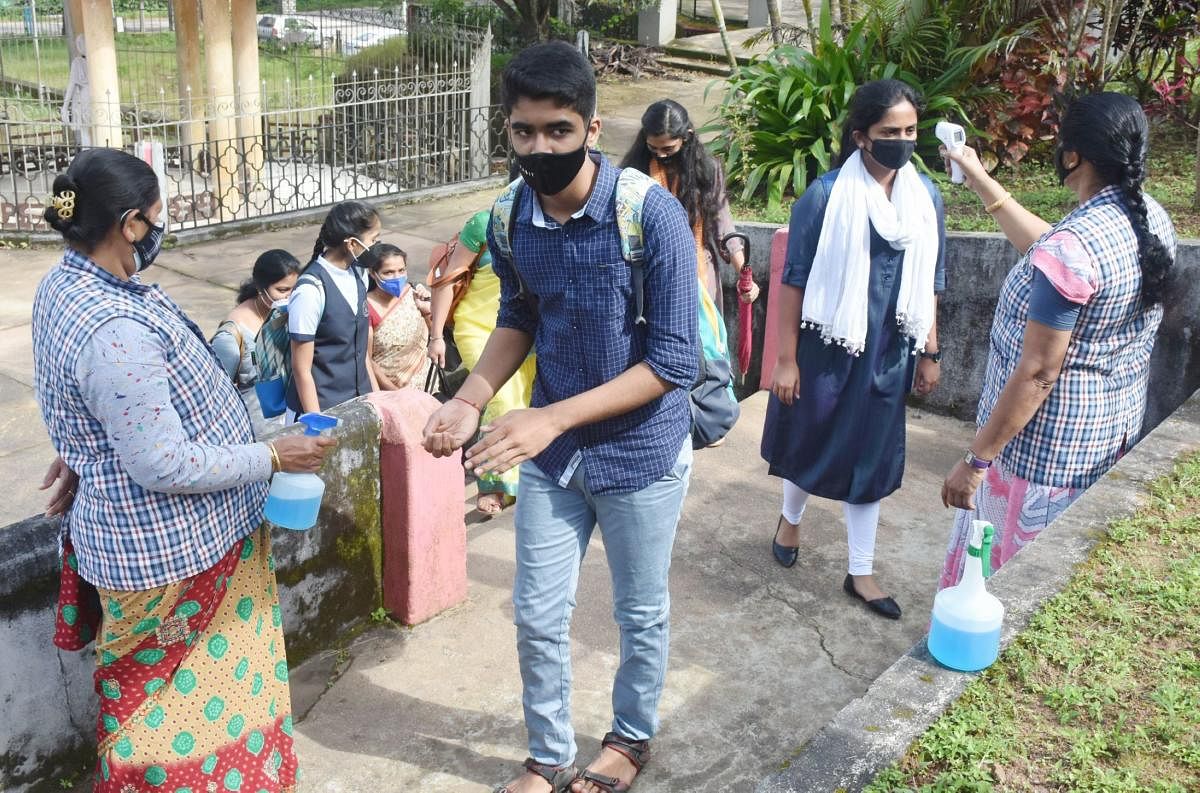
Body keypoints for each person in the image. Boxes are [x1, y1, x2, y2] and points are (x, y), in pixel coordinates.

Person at [422, 41, 697, 793]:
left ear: (593, 129)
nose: (538, 148)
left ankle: (630, 738)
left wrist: (548, 419)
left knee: (639, 613)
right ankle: (549, 755)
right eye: (524, 133)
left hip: (640, 455)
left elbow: (675, 360)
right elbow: (520, 310)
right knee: (538, 616)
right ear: (507, 130)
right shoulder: (509, 215)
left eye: (557, 132)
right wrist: (469, 397)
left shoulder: (651, 214)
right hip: (554, 460)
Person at [30, 148, 335, 793]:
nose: (163, 228)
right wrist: (277, 455)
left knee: (201, 714)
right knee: (161, 728)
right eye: (158, 216)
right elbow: (160, 462)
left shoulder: (72, 283)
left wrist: (87, 443)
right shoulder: (113, 327)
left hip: (187, 541)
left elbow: (86, 391)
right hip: (171, 556)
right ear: (131, 224)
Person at [938, 92, 1175, 588]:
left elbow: (1040, 372)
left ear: (1073, 156)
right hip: (1103, 439)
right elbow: (1052, 253)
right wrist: (983, 182)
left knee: (1008, 588)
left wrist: (975, 460)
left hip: (1039, 459)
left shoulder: (1077, 244)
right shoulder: (1148, 217)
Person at [761, 79, 946, 620]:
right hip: (826, 345)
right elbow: (793, 282)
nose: (904, 141)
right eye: (891, 132)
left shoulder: (924, 196)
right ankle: (790, 520)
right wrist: (787, 359)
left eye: (911, 131)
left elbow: (933, 276)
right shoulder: (823, 196)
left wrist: (930, 349)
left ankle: (860, 571)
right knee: (810, 438)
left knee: (872, 456)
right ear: (861, 136)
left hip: (890, 351)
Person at [427, 210, 537, 515]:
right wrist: (436, 335)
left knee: (524, 401)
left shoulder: (554, 221)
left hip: (524, 329)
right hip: (477, 325)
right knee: (497, 399)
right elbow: (447, 280)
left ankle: (519, 478)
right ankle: (493, 485)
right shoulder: (485, 223)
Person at [620, 98, 760, 312]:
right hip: (651, 274)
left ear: (687, 137)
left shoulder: (707, 171)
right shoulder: (634, 174)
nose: (660, 155)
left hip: (699, 274)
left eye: (668, 148)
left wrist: (745, 277)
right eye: (653, 148)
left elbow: (723, 227)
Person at [287, 200, 381, 416]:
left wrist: (377, 399)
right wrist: (315, 422)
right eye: (373, 240)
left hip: (360, 401)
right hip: (323, 408)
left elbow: (361, 351)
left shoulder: (359, 274)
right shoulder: (310, 291)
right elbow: (301, 369)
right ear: (351, 244)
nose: (376, 246)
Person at [212, 249, 301, 390]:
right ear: (261, 288)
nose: (289, 297)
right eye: (282, 290)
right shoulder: (231, 336)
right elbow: (217, 388)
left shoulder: (293, 314)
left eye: (294, 289)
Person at [365, 242, 434, 389]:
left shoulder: (413, 293)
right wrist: (396, 393)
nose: (397, 277)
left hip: (428, 384)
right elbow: (367, 361)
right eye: (389, 272)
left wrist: (427, 310)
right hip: (392, 393)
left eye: (401, 270)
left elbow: (434, 337)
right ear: (372, 273)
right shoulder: (366, 308)